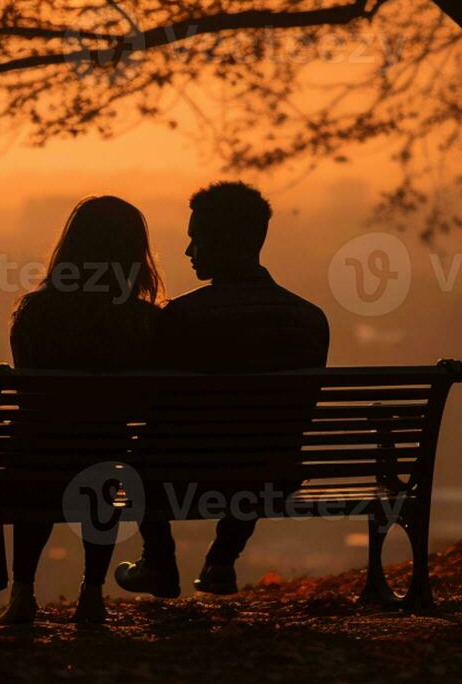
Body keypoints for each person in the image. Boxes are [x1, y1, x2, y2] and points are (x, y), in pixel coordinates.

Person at [116, 181, 329, 599]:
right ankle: (221, 560)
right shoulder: (309, 319)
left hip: (182, 474)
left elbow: (149, 404)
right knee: (259, 444)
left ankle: (158, 561)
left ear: (226, 242)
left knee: (138, 453)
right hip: (271, 474)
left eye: (197, 239)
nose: (188, 251)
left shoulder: (181, 317)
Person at [0, 195, 163, 625]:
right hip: (104, 456)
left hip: (35, 458)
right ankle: (92, 594)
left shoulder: (35, 313)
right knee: (102, 467)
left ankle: (21, 594)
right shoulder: (143, 321)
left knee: (40, 458)